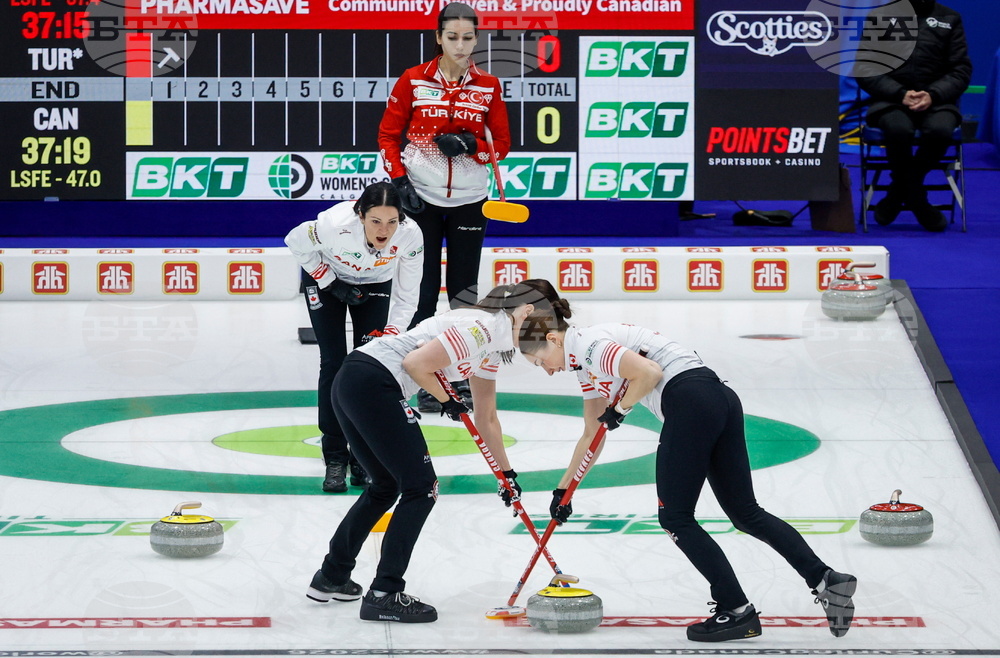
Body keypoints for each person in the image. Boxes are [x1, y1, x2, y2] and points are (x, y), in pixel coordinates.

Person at [512, 279, 858, 642]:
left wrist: (621, 408)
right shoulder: (584, 363)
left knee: (675, 517)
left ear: (553, 339)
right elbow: (591, 432)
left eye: (540, 361)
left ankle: (735, 610)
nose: (546, 370)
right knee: (745, 512)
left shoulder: (589, 344)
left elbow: (649, 373)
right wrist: (564, 489)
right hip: (717, 398)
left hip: (691, 400)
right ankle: (825, 579)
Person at [304, 283, 540, 623]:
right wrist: (448, 401)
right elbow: (415, 364)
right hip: (374, 381)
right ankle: (384, 593)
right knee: (422, 488)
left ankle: (332, 575)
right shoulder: (486, 327)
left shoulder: (491, 344)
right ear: (524, 311)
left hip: (356, 378)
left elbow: (487, 416)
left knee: (385, 485)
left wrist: (507, 474)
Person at [377, 1, 511, 413]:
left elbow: (502, 146)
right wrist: (400, 182)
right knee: (422, 292)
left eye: (468, 37)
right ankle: (424, 379)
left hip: (471, 201)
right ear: (438, 37)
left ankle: (460, 377)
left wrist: (472, 145)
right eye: (452, 37)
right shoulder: (413, 79)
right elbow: (388, 136)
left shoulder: (488, 85)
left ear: (476, 39)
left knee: (464, 293)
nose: (460, 45)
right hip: (422, 198)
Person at [284, 182, 424, 493]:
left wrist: (392, 334)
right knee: (334, 362)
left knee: (366, 370)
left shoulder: (411, 234)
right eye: (376, 221)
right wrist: (329, 281)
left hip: (375, 283)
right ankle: (335, 456)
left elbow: (407, 295)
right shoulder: (334, 224)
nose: (384, 230)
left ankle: (362, 455)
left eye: (392, 221)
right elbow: (294, 240)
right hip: (326, 280)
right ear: (360, 215)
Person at [857, 0, 971, 231]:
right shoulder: (880, 16)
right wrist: (900, 94)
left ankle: (899, 191)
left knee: (940, 130)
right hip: (891, 101)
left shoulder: (950, 18)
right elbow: (866, 68)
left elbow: (960, 70)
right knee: (898, 129)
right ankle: (918, 199)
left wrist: (933, 94)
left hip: (937, 102)